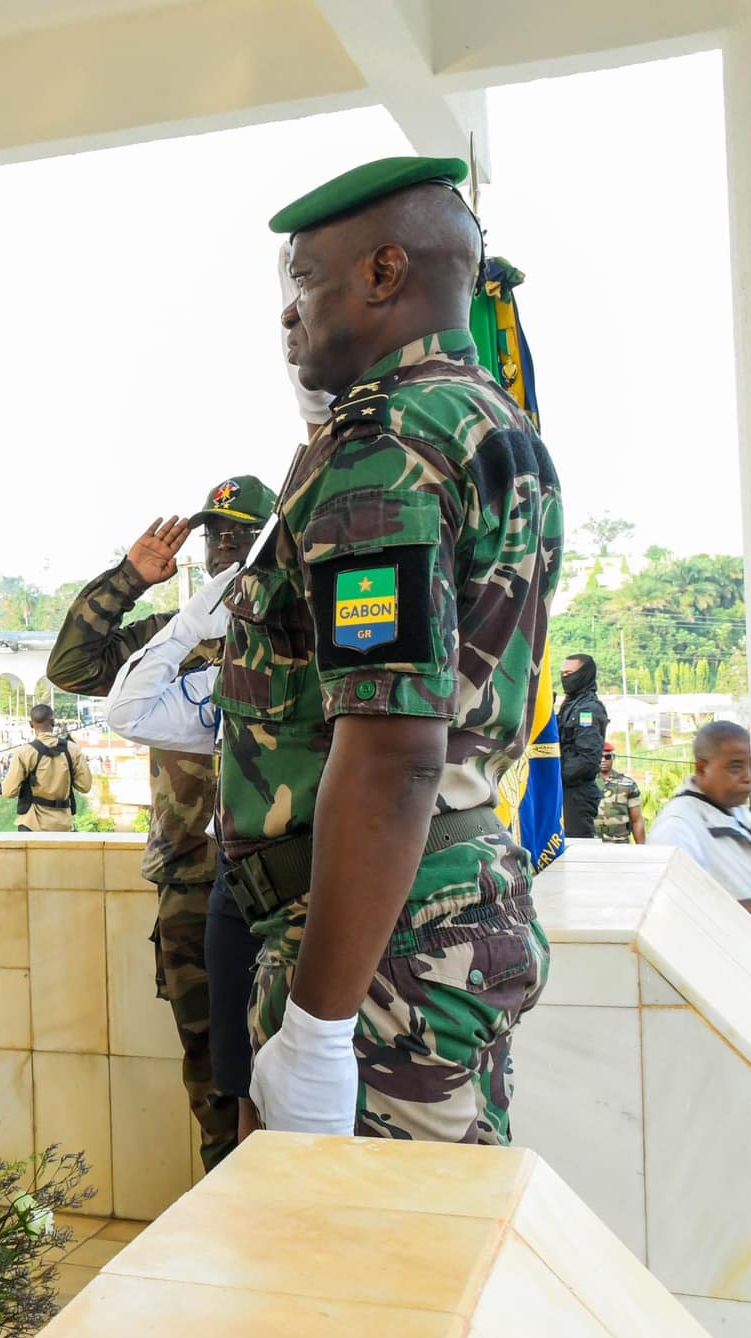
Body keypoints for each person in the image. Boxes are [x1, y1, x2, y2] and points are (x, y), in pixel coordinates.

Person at [217, 155, 562, 1145]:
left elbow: (392, 756)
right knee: (430, 1231)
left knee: (361, 1242)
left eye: (304, 279)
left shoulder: (385, 444)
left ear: (382, 272)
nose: (289, 311)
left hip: (380, 958)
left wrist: (319, 1033)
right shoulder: (486, 421)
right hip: (428, 921)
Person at [47, 474, 275, 1172]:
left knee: (292, 1060)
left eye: (242, 533)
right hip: (190, 880)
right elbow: (72, 667)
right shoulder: (172, 637)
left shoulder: (296, 632)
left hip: (283, 880)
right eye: (216, 534)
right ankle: (224, 1202)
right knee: (210, 1068)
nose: (224, 544)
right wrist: (130, 579)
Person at [651, 721, 751, 915]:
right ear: (702, 769)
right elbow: (680, 913)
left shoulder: (735, 810)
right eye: (736, 768)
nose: (748, 777)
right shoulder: (677, 828)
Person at [1, 704, 92, 832]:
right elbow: (85, 786)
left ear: (31, 724)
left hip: (32, 825)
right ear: (53, 721)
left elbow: (8, 792)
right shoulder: (73, 750)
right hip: (63, 825)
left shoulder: (24, 752)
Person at [558, 653, 610, 837]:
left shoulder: (587, 710)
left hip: (577, 794)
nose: (565, 678)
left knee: (575, 844)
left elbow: (588, 759)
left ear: (584, 674)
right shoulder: (569, 706)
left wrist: (557, 775)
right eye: (562, 674)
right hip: (565, 791)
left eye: (569, 674)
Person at [594, 744, 646, 844]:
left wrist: (641, 848)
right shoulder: (586, 783)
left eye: (607, 757)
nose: (603, 760)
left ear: (613, 758)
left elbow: (637, 819)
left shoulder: (627, 784)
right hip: (592, 843)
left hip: (620, 842)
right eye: (600, 756)